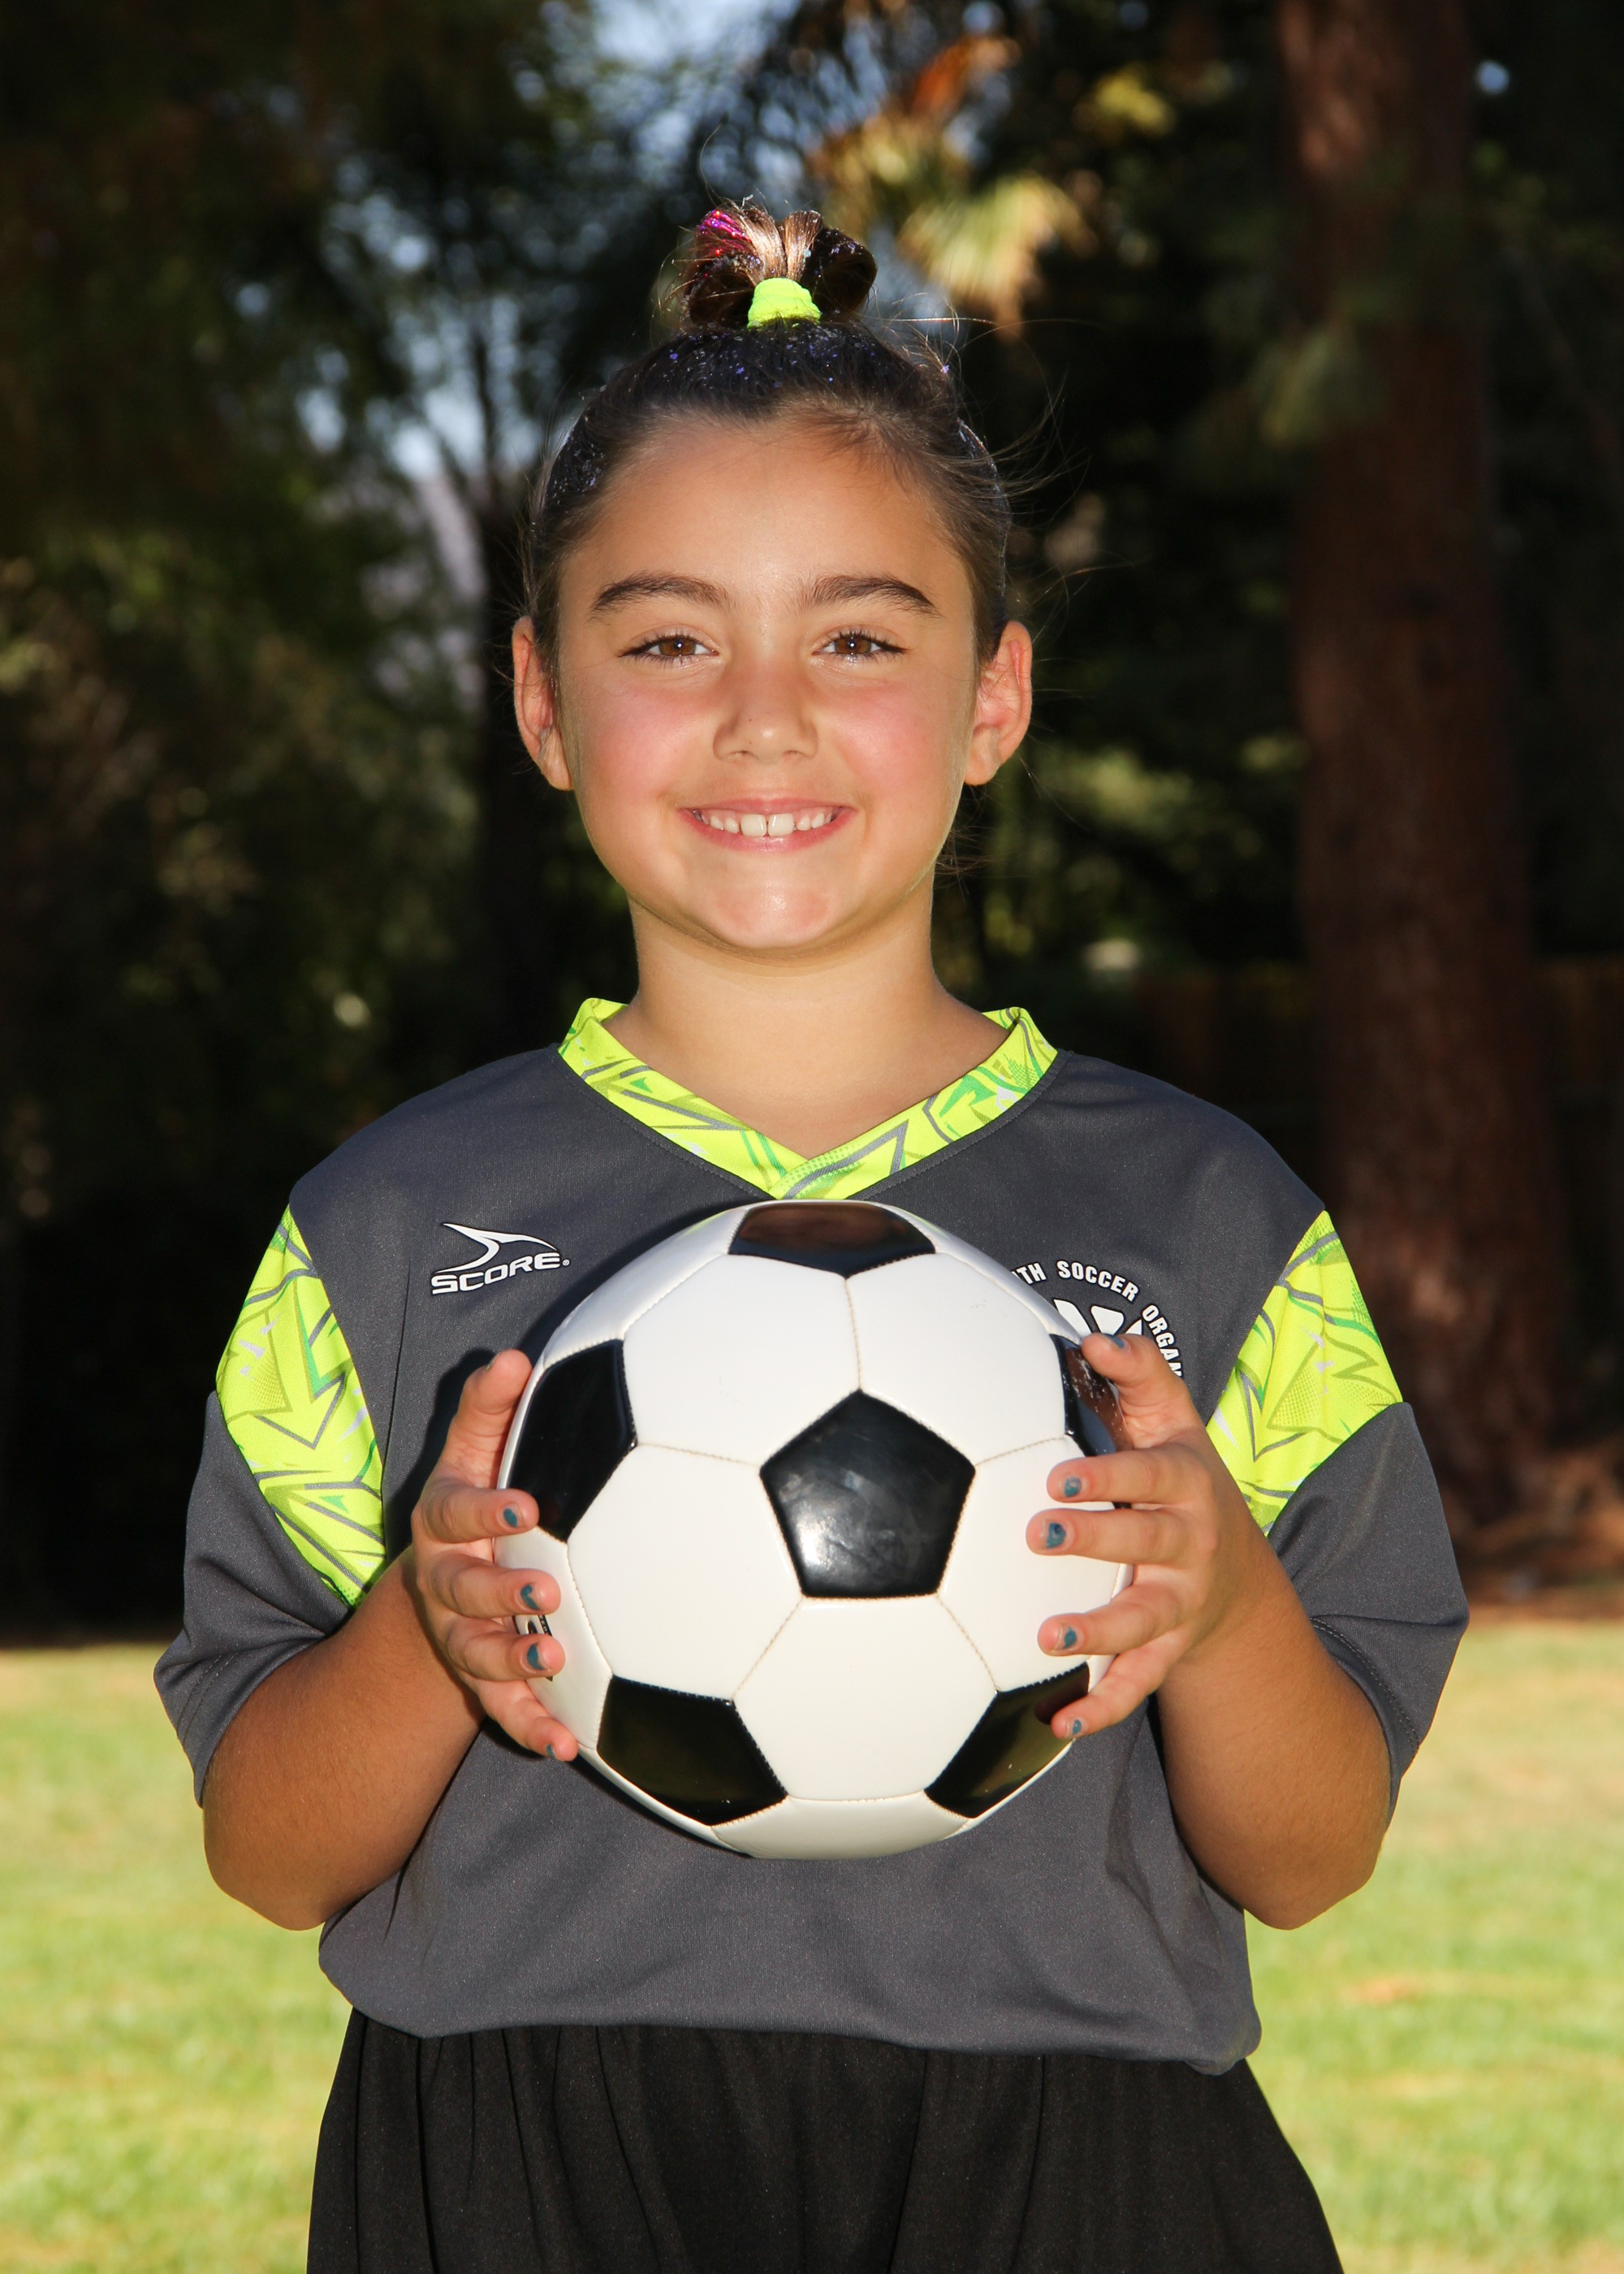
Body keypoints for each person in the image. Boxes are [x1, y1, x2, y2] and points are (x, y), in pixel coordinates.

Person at [156, 202, 1466, 2274]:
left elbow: (1310, 1860)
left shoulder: (1214, 1220)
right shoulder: (383, 1228)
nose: (763, 716)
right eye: (667, 640)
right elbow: (266, 1847)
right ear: (540, 699)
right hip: (523, 2165)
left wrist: (1219, 1609)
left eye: (858, 638)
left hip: (1076, 2165)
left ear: (993, 695)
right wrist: (431, 1625)